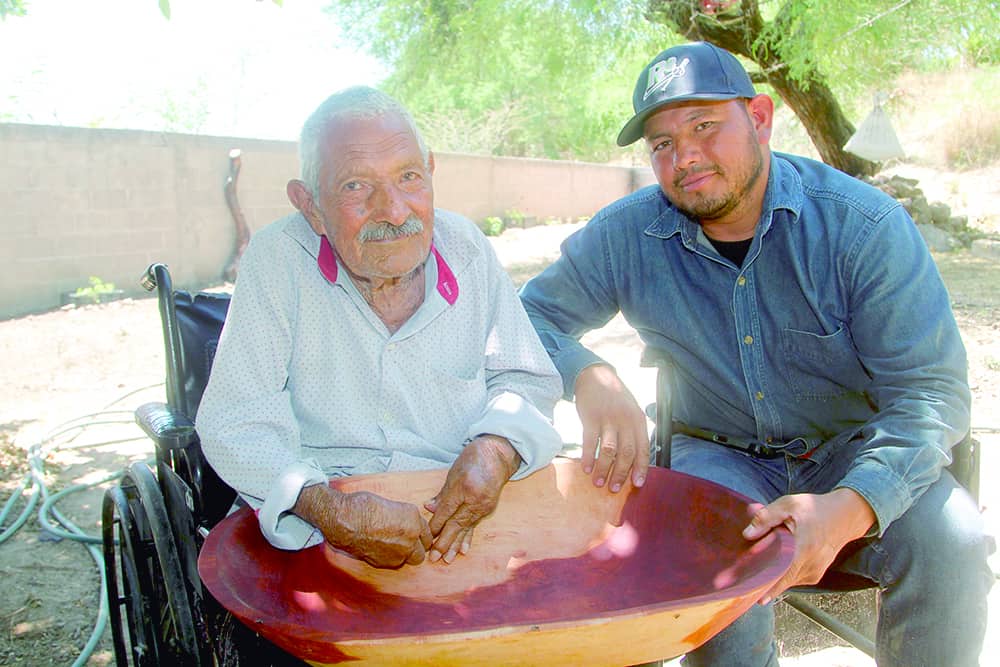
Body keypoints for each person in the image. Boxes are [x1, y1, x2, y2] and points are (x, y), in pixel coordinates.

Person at [519, 41, 994, 666]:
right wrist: (589, 373)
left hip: (856, 451)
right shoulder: (626, 233)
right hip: (718, 453)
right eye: (661, 143)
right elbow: (524, 319)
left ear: (761, 118)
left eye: (704, 126)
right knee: (715, 573)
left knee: (954, 545)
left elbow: (931, 395)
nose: (684, 155)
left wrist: (848, 509)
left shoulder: (863, 227)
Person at [197, 86, 564, 571]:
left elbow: (527, 379)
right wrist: (329, 509)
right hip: (320, 528)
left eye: (409, 177)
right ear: (310, 206)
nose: (394, 211)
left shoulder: (468, 249)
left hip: (457, 523)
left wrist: (495, 449)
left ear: (430, 172)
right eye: (356, 186)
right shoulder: (278, 260)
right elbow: (237, 419)